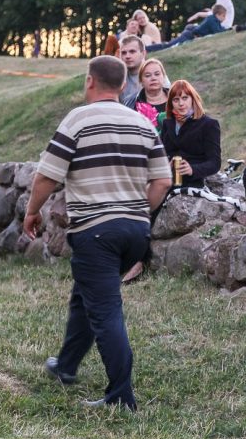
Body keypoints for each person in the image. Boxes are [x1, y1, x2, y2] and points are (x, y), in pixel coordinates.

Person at [24, 55, 172, 411]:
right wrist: (138, 212)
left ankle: (121, 395)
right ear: (124, 86)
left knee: (105, 310)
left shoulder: (78, 119)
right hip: (135, 231)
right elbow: (163, 179)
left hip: (95, 230)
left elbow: (47, 176)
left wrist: (32, 212)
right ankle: (67, 365)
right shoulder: (141, 122)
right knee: (88, 292)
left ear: (89, 81)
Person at [160, 80, 222, 189]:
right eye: (176, 99)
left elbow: (214, 163)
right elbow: (161, 154)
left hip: (196, 183)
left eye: (185, 98)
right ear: (171, 103)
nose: (181, 104)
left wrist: (192, 169)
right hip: (168, 182)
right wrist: (165, 165)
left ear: (193, 99)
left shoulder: (209, 125)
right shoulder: (167, 123)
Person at [147, 5, 227, 51]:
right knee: (168, 46)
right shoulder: (212, 20)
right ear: (217, 15)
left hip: (191, 33)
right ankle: (147, 49)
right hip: (189, 35)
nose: (225, 18)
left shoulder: (215, 21)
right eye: (223, 16)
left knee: (169, 45)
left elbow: (220, 29)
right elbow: (218, 32)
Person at [125, 58, 169, 131]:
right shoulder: (131, 104)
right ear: (141, 81)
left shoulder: (176, 98)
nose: (153, 78)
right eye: (148, 75)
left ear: (164, 77)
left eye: (157, 74)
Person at [119, 35, 146, 103]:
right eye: (124, 53)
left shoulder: (155, 73)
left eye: (132, 51)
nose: (127, 56)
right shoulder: (118, 77)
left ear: (143, 54)